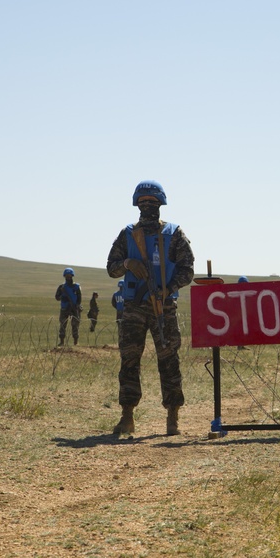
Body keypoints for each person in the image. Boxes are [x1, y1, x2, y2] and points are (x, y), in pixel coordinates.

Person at [107, 181, 195, 436]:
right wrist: (128, 263)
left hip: (163, 307)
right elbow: (112, 268)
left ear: (160, 204)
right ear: (137, 205)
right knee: (129, 360)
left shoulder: (174, 234)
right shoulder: (127, 235)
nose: (147, 206)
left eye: (151, 202)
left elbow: (187, 270)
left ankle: (173, 417)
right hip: (133, 307)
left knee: (169, 361)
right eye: (143, 202)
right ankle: (127, 417)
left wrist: (169, 288)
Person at [55, 267, 82, 346]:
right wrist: (62, 297)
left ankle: (75, 342)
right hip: (64, 308)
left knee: (75, 325)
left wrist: (77, 306)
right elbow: (57, 297)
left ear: (72, 276)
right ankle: (62, 342)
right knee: (63, 325)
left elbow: (79, 298)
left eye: (70, 276)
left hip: (74, 308)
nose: (68, 277)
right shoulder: (61, 287)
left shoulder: (76, 287)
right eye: (67, 276)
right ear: (64, 276)